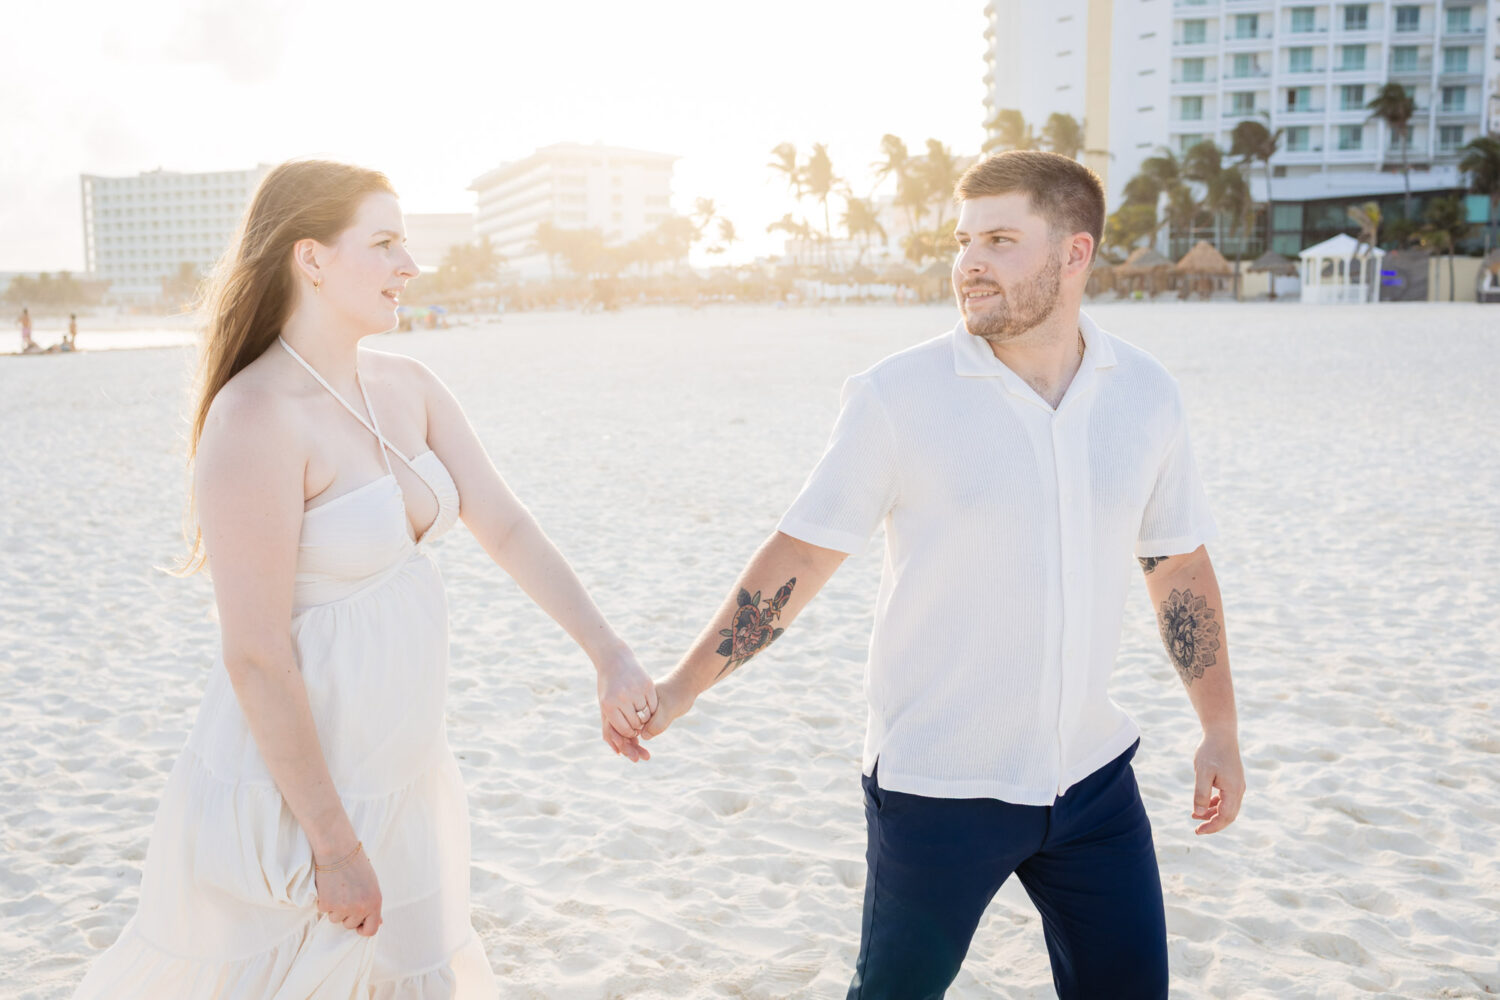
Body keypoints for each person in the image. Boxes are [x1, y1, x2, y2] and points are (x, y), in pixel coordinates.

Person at [643, 150, 1244, 999]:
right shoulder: (896, 395)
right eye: (963, 241)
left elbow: (1176, 564)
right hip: (939, 790)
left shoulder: (1145, 393)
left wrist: (1219, 729)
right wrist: (682, 688)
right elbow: (803, 555)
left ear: (1075, 253)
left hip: (1092, 783)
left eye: (1000, 240)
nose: (969, 264)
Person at [73, 160, 658, 998]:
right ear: (311, 258)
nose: (409, 265)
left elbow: (506, 524)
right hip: (301, 796)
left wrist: (608, 654)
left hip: (404, 770)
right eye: (384, 243)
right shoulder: (254, 416)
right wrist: (334, 845)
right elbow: (255, 654)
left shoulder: (410, 386)